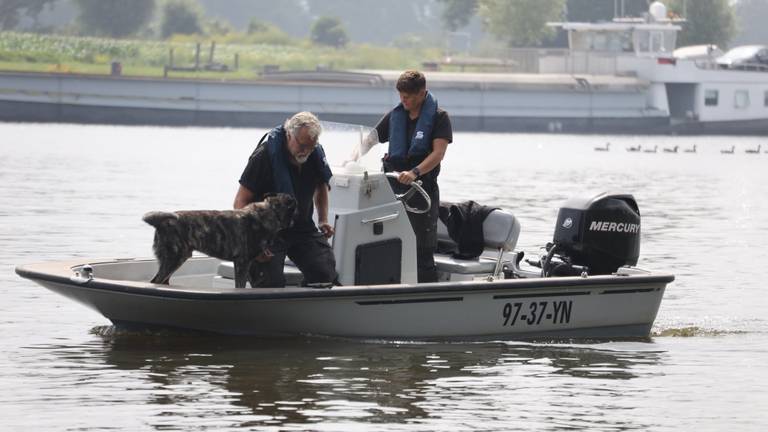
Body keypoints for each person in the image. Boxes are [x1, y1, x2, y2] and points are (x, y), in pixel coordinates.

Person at [234, 111, 337, 287]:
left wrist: (323, 219)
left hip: (301, 228)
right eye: (302, 146)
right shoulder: (264, 156)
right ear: (289, 135)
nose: (306, 152)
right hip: (267, 231)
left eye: (311, 147)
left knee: (324, 273)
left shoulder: (314, 154)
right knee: (269, 283)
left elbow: (321, 186)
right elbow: (240, 202)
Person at [374, 70, 452, 283]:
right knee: (388, 243)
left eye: (407, 97)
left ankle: (427, 290)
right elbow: (371, 138)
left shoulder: (439, 117)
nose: (403, 100)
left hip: (421, 191)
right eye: (401, 96)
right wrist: (352, 157)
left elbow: (438, 153)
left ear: (421, 93)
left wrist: (415, 172)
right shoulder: (396, 115)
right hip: (393, 189)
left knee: (421, 249)